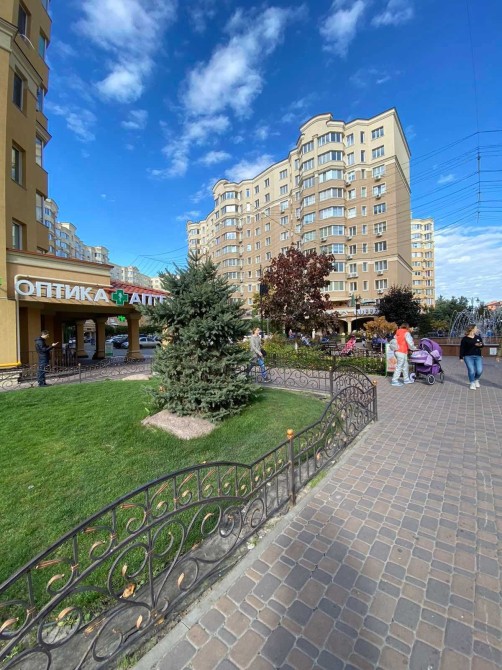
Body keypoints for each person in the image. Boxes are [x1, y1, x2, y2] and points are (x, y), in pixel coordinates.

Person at [459, 324, 484, 389]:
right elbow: (462, 348)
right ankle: (472, 383)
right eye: (476, 328)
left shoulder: (478, 337)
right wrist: (461, 357)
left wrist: (480, 345)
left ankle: (476, 379)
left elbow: (482, 345)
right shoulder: (465, 339)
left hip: (478, 356)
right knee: (471, 370)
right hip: (468, 356)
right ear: (472, 329)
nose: (477, 329)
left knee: (479, 370)